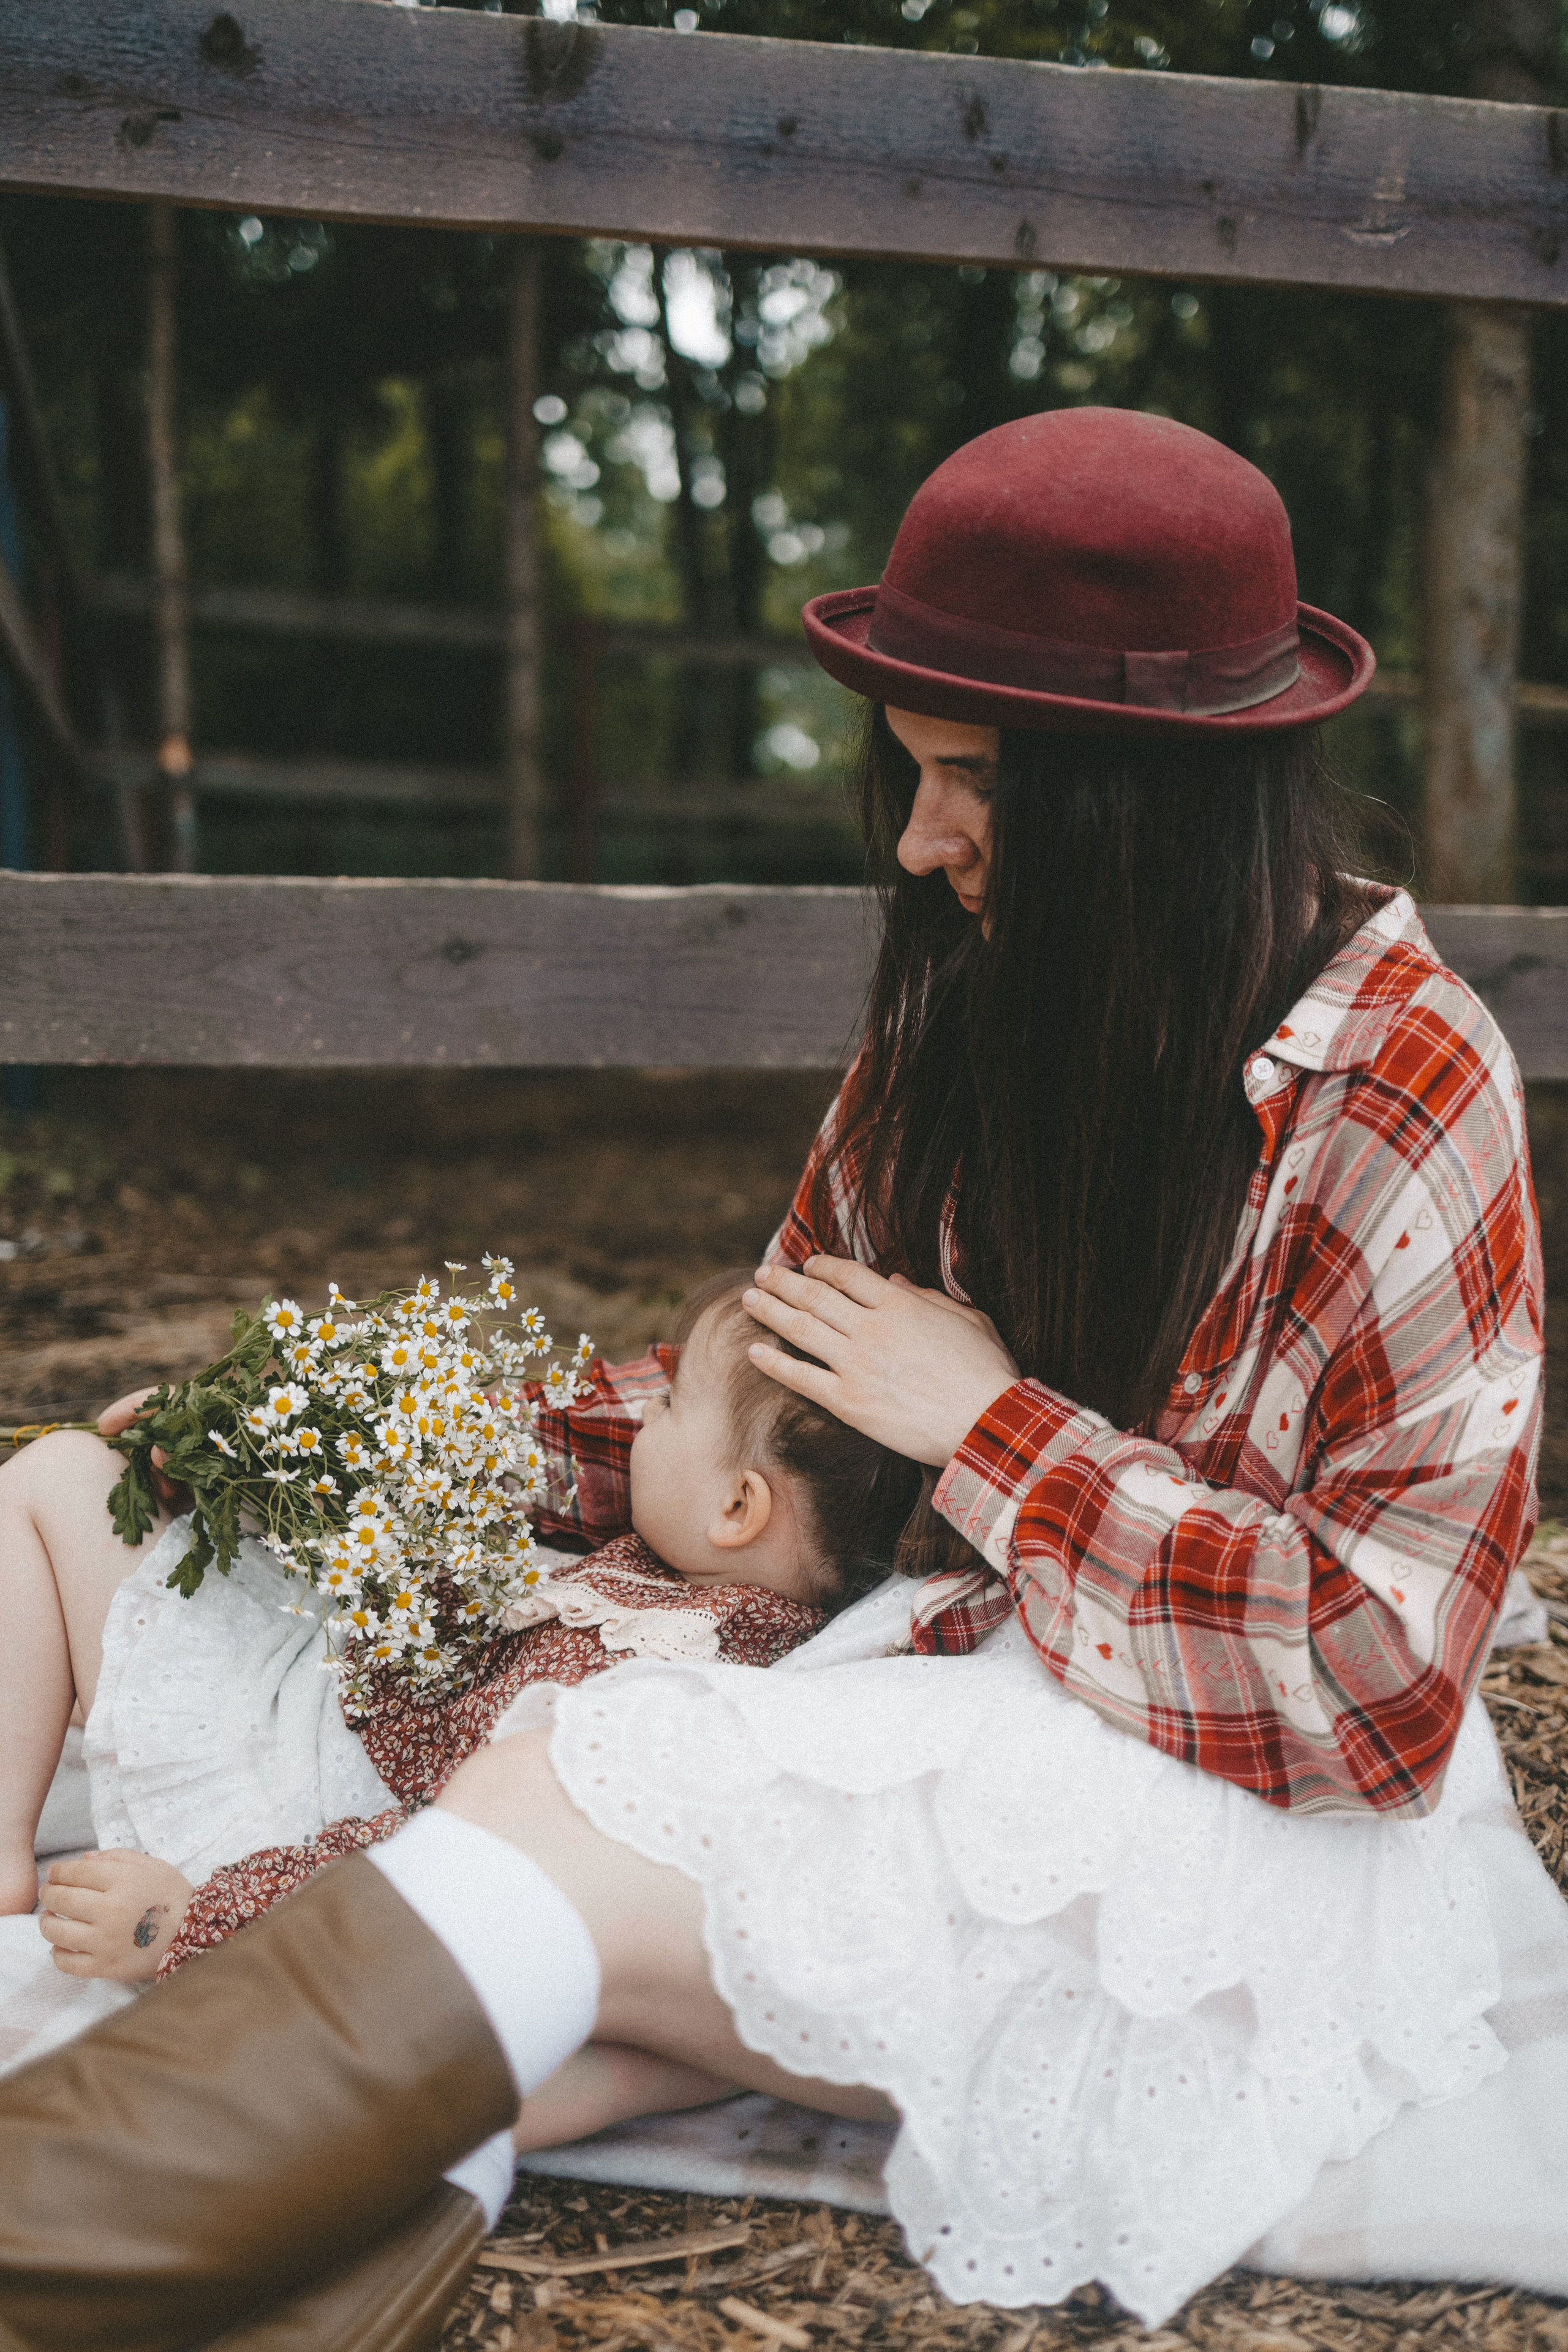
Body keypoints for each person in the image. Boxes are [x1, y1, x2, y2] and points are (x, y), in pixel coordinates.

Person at [0, 408, 1553, 2352]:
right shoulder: (971, 1017)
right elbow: (780, 1407)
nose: (917, 842)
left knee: (570, 1805)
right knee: (542, 2003)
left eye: (974, 784)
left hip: (1208, 1793)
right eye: (911, 779)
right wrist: (390, 1445)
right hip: (895, 1681)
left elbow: (1384, 1691)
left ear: (1149, 802)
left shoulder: (1407, 1091)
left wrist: (994, 1436)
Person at [9, 1272, 921, 2000]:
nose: (643, 1418)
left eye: (673, 1407)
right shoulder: (682, 1587)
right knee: (71, 1484)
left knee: (55, 1479)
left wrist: (197, 1916)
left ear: (735, 1507)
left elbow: (445, 1857)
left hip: (288, 1803)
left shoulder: (647, 1689)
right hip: (327, 1708)